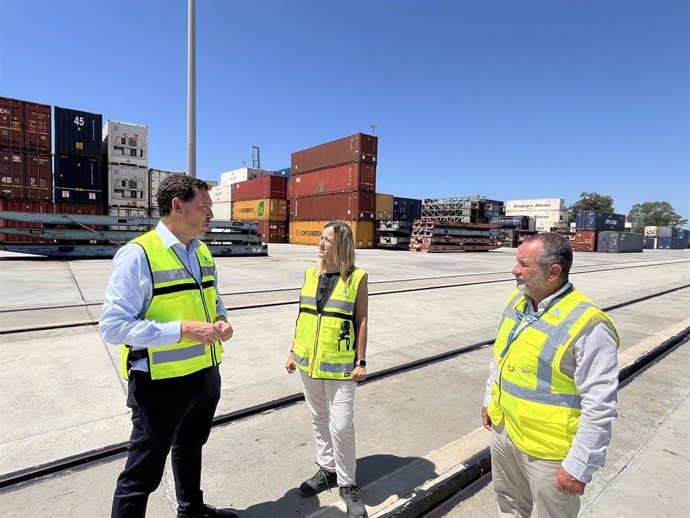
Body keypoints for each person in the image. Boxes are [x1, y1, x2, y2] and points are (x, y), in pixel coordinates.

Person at [100, 175, 236, 518]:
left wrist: (221, 319)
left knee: (191, 447)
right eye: (204, 206)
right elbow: (114, 326)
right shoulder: (137, 255)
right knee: (141, 475)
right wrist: (181, 330)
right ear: (177, 205)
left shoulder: (201, 250)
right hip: (160, 383)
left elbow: (213, 297)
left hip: (204, 374)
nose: (210, 214)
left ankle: (192, 511)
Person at [481, 233, 620, 518]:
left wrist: (580, 464)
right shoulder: (517, 302)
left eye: (524, 264)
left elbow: (600, 403)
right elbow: (501, 357)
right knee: (507, 503)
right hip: (505, 431)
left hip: (548, 450)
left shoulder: (588, 325)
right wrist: (489, 399)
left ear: (553, 272)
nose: (514, 270)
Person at [285, 221, 370, 518]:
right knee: (319, 419)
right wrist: (294, 350)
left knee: (342, 425)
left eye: (327, 240)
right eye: (320, 238)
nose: (320, 243)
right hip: (309, 362)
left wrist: (361, 362)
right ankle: (326, 470)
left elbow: (361, 320)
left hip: (342, 366)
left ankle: (347, 483)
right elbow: (303, 315)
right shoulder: (309, 274)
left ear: (342, 245)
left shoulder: (357, 277)